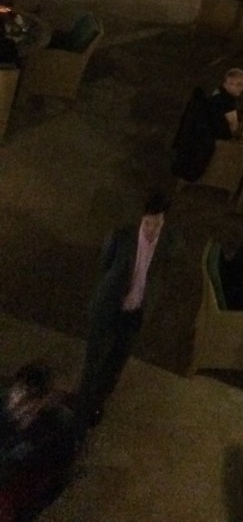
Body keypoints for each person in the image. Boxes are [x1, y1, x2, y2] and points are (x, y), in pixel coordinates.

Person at [75, 191, 173, 429]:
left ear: (163, 222)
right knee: (94, 359)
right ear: (142, 218)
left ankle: (97, 402)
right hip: (109, 307)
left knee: (116, 361)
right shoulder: (121, 236)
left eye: (157, 224)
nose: (151, 229)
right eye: (148, 223)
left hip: (135, 312)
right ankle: (82, 408)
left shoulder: (168, 244)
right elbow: (104, 264)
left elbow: (162, 276)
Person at [0, 362, 75, 519]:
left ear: (43, 400)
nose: (18, 402)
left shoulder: (55, 426)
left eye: (29, 397)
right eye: (18, 390)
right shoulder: (5, 409)